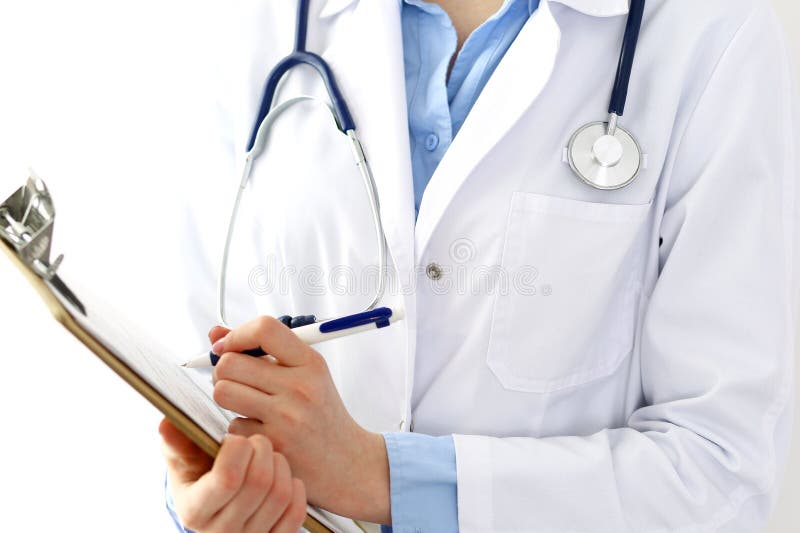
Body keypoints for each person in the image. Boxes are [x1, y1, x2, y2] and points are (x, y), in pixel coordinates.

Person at [160, 0, 799, 531]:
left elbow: (720, 472)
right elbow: (196, 378)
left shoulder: (712, 35)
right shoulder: (248, 21)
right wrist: (204, 498)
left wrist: (378, 475)